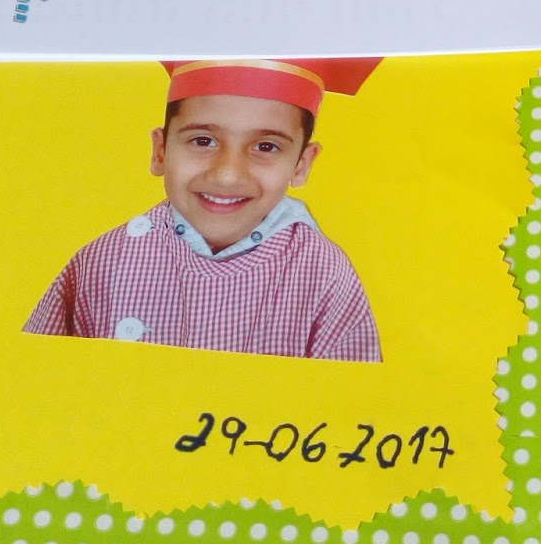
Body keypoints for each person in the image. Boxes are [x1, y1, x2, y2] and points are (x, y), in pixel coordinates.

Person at [23, 59, 382, 360]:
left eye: (266, 147)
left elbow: (352, 403)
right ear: (160, 152)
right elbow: (33, 380)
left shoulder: (324, 273)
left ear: (302, 165)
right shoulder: (103, 261)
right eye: (203, 141)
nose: (227, 175)